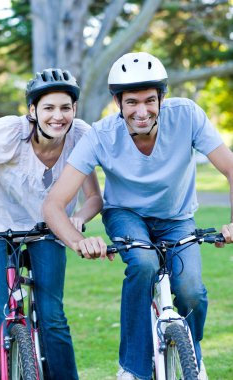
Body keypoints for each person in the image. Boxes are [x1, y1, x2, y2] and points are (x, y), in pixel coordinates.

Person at [42, 53, 233, 380]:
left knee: (190, 289)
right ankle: (132, 368)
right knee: (143, 263)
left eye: (149, 100)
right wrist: (79, 242)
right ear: (117, 101)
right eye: (131, 102)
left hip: (176, 217)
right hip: (125, 215)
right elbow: (53, 204)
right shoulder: (101, 135)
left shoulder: (187, 116)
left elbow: (229, 167)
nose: (141, 111)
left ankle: (191, 351)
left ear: (162, 98)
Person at [0, 68, 103, 380]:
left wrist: (79, 218)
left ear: (74, 110)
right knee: (5, 314)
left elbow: (93, 198)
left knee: (53, 316)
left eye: (65, 108)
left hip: (47, 230)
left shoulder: (82, 138)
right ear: (33, 111)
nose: (57, 116)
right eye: (48, 108)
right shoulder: (9, 132)